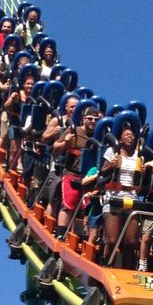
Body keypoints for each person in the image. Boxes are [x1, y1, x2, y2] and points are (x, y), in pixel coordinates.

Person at [52, 106, 99, 239]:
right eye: (90, 118)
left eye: (96, 119)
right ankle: (61, 233)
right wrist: (66, 142)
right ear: (84, 119)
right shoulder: (75, 131)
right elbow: (55, 149)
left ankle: (84, 236)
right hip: (72, 173)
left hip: (90, 177)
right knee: (69, 203)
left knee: (89, 206)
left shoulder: (98, 136)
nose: (93, 121)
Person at [100, 126, 142, 270]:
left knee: (131, 241)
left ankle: (126, 270)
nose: (130, 137)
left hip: (132, 197)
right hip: (114, 196)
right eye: (127, 135)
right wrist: (112, 165)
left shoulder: (139, 155)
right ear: (120, 138)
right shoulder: (113, 151)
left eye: (132, 135)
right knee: (112, 240)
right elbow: (102, 171)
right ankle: (107, 265)